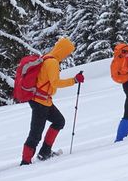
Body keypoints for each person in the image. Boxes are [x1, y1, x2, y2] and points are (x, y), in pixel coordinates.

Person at [21, 37, 84, 165]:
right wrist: (74, 80)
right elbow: (55, 83)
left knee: (59, 121)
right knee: (36, 132)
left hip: (42, 100)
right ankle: (26, 161)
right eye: (67, 53)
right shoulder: (52, 62)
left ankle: (45, 152)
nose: (67, 56)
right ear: (63, 51)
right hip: (40, 101)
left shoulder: (47, 57)